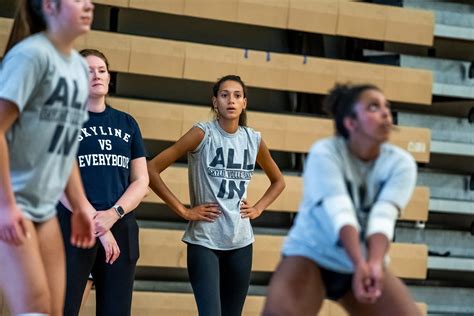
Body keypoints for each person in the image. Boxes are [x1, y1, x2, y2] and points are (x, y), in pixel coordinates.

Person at [262, 83, 421, 316]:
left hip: (364, 261)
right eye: (373, 107)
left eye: (387, 106)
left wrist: (374, 265)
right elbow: (341, 213)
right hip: (311, 255)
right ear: (350, 122)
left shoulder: (401, 163)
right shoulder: (325, 153)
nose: (386, 112)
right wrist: (359, 264)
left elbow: (383, 217)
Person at [148, 75, 285, 316]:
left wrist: (258, 208)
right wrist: (183, 210)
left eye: (237, 95)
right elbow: (151, 169)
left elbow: (279, 181)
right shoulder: (202, 134)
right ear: (215, 102)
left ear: (244, 103)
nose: (231, 100)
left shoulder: (253, 139)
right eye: (224, 95)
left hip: (241, 242)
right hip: (205, 241)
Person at [0, 0, 96, 315]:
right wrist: (5, 206)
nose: (88, 5)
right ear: (49, 7)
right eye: (77, 0)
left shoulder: (79, 68)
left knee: (54, 310)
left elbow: (64, 146)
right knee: (35, 309)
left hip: (44, 209)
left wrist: (80, 205)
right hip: (11, 204)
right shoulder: (31, 55)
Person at [57, 48, 149, 316]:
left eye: (102, 70)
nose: (97, 75)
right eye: (88, 71)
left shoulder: (127, 123)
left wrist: (114, 214)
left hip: (120, 227)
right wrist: (99, 224)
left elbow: (141, 179)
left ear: (109, 77)